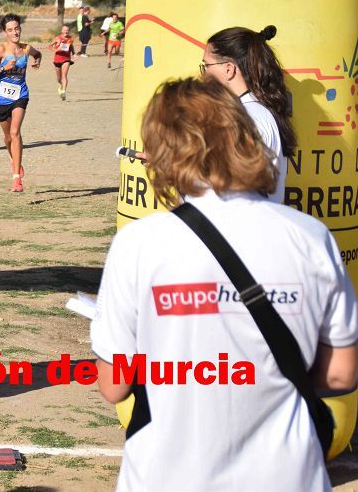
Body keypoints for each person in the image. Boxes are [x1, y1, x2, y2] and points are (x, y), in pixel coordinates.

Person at [91, 76, 358, 491]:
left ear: (163, 152)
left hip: (169, 474)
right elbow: (341, 374)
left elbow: (114, 384)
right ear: (245, 137)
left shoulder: (139, 242)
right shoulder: (311, 236)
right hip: (286, 475)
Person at [201, 25, 295, 204]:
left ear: (229, 69)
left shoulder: (245, 118)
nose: (203, 73)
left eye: (206, 65)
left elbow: (227, 191)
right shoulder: (256, 112)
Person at [0, 14, 41, 192]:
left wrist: (37, 61)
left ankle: (16, 179)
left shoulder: (27, 48)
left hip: (20, 95)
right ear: (5, 32)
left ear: (20, 29)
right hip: (0, 99)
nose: (15, 32)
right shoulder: (1, 50)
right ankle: (15, 161)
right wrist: (3, 68)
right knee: (8, 138)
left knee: (15, 132)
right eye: (10, 30)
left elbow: (38, 54)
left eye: (17, 28)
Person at [49, 24, 77, 100]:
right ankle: (61, 86)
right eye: (64, 30)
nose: (66, 31)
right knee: (59, 79)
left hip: (66, 59)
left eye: (67, 30)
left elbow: (71, 46)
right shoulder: (57, 38)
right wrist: (55, 50)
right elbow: (50, 46)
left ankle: (64, 91)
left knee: (64, 75)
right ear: (62, 31)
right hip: (57, 59)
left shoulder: (71, 38)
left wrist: (74, 54)